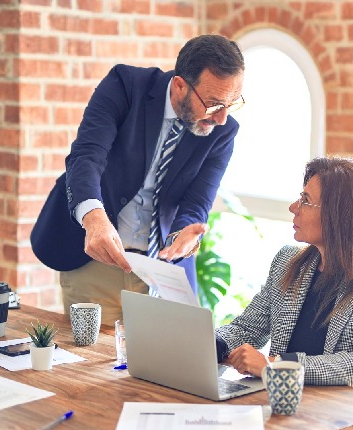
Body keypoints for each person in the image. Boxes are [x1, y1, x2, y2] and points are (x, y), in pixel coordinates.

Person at [30, 35, 245, 325]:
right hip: (96, 260)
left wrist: (183, 235)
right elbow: (86, 156)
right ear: (180, 85)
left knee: (162, 367)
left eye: (232, 103)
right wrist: (93, 219)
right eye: (214, 104)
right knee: (93, 367)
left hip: (162, 272)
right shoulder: (125, 85)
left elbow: (197, 201)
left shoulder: (223, 131)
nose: (221, 118)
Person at [215, 156, 353, 397]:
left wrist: (275, 365)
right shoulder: (287, 262)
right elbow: (246, 329)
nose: (293, 207)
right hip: (290, 402)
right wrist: (208, 343)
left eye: (305, 200)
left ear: (340, 216)